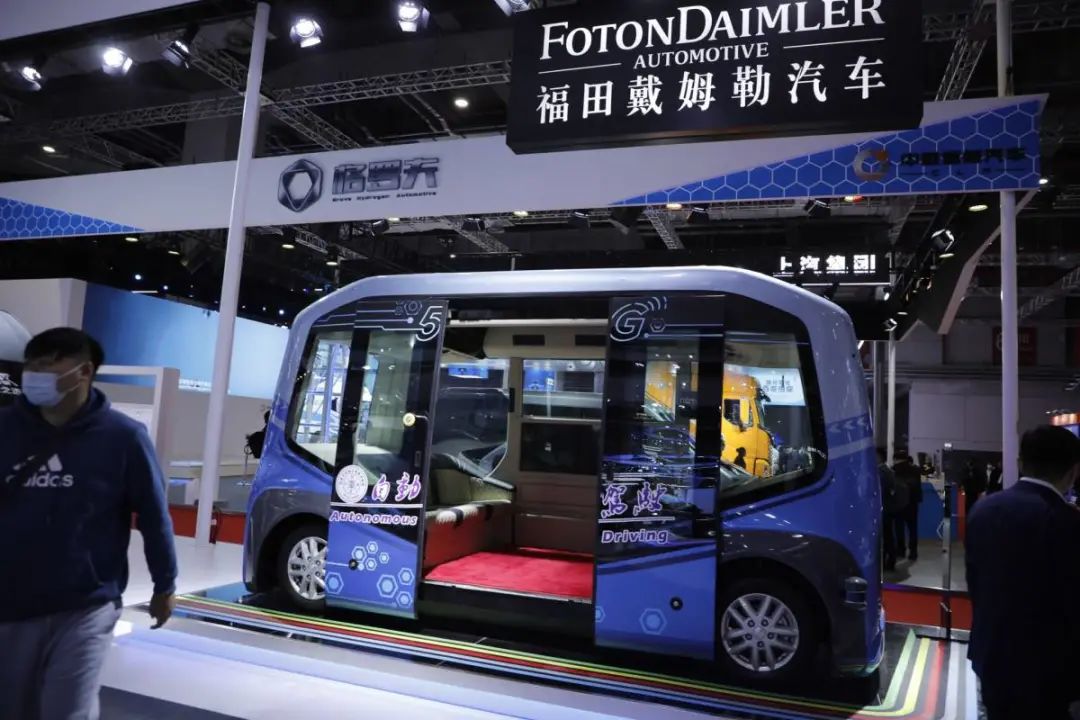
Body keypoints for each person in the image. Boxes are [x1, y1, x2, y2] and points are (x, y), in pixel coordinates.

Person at [0, 328, 178, 720]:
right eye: (32, 364)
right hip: (10, 602)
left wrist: (165, 584)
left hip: (85, 603)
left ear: (84, 372)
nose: (37, 374)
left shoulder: (124, 438)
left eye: (50, 364)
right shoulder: (5, 429)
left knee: (67, 709)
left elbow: (153, 515)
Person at [965, 426, 1080, 719]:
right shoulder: (1067, 522)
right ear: (1073, 471)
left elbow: (975, 584)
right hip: (1048, 669)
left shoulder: (983, 510)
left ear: (1020, 462)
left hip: (991, 654)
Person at [877, 448, 907, 571]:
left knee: (886, 537)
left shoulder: (882, 471)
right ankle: (889, 560)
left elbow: (882, 491)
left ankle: (887, 561)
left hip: (884, 509)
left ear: (879, 457)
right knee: (888, 536)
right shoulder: (888, 471)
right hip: (888, 508)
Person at [892, 451, 922, 562]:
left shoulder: (894, 469)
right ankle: (913, 552)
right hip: (912, 503)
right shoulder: (916, 470)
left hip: (899, 504)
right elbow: (918, 487)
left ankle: (901, 550)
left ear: (896, 459)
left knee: (899, 528)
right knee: (912, 529)